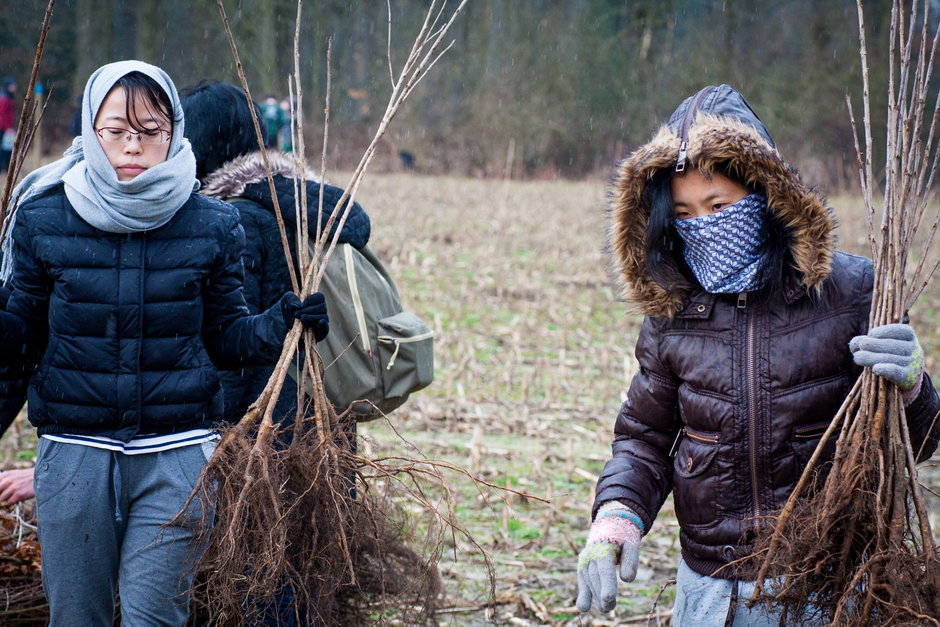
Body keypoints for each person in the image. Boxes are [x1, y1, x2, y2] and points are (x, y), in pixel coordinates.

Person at [575, 84, 940, 625]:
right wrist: (616, 517)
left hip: (830, 583)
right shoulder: (673, 311)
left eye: (719, 205)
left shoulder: (852, 291)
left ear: (766, 194)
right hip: (712, 591)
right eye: (684, 212)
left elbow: (923, 440)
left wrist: (912, 386)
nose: (704, 225)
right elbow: (644, 438)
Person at [0, 60, 330, 626]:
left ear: (174, 131)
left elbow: (228, 340)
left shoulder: (213, 224)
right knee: (78, 617)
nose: (133, 145)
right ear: (91, 130)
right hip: (75, 456)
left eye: (150, 131)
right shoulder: (44, 218)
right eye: (116, 131)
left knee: (156, 617)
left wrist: (283, 322)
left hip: (177, 460)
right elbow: (20, 340)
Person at [180, 80, 370, 624]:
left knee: (259, 584)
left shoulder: (234, 219)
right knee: (307, 572)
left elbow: (234, 345)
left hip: (261, 434)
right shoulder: (306, 203)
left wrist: (214, 439)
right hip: (324, 418)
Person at [0, 77, 16, 172]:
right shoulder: (4, 99)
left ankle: (6, 168)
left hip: (7, 128)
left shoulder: (9, 97)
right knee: (4, 149)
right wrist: (7, 127)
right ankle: (4, 168)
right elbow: (2, 114)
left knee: (8, 149)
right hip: (4, 128)